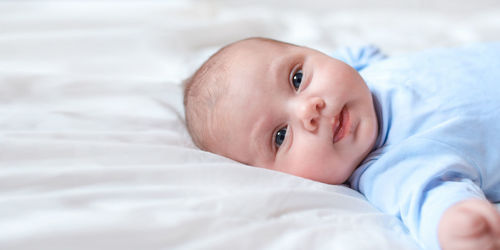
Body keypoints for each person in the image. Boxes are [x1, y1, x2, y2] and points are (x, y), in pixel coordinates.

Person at [183, 37, 500, 250]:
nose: (310, 109)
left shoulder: (366, 72)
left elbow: (353, 55)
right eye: (280, 136)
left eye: (296, 78)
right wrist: (460, 225)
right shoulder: (393, 166)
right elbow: (430, 200)